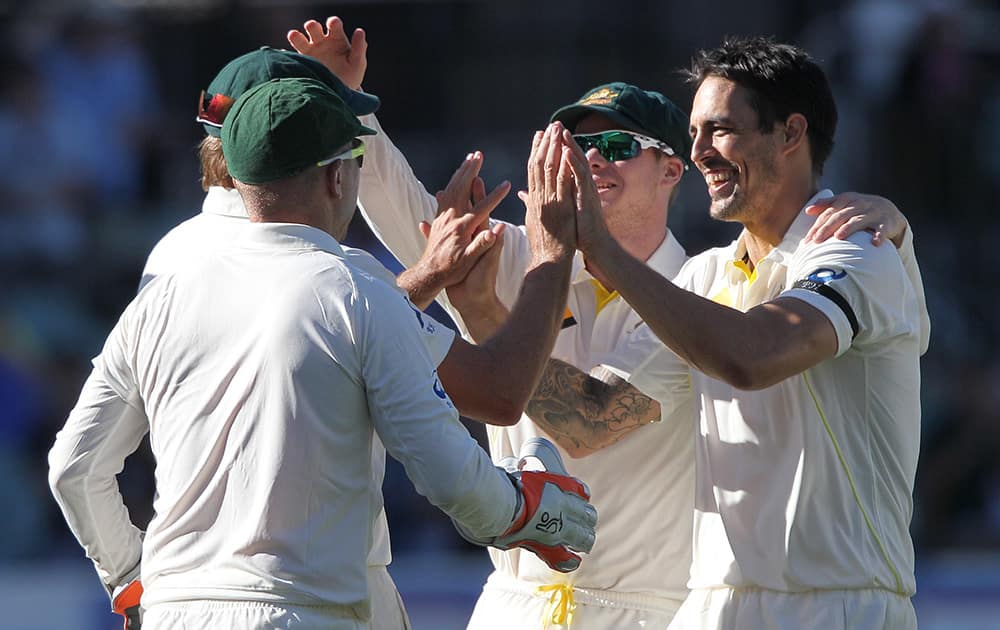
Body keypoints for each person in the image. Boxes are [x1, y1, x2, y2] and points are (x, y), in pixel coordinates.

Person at [286, 16, 921, 630]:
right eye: (575, 146)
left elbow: (590, 419)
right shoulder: (682, 275)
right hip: (568, 603)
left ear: (670, 170)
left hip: (683, 607)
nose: (591, 161)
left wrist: (503, 299)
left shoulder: (698, 284)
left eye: (616, 147)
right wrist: (348, 106)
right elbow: (410, 218)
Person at [48, 78, 597, 629]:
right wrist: (526, 509)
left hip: (173, 611)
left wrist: (130, 579)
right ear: (338, 175)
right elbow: (456, 481)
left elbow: (73, 468)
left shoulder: (160, 296)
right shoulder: (356, 288)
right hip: (303, 614)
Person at [562, 36, 928, 629]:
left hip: (839, 607)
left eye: (720, 130)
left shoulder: (863, 249)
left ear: (790, 134)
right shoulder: (704, 275)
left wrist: (603, 252)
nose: (700, 151)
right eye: (695, 133)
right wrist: (453, 323)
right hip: (713, 607)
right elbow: (586, 421)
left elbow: (755, 355)